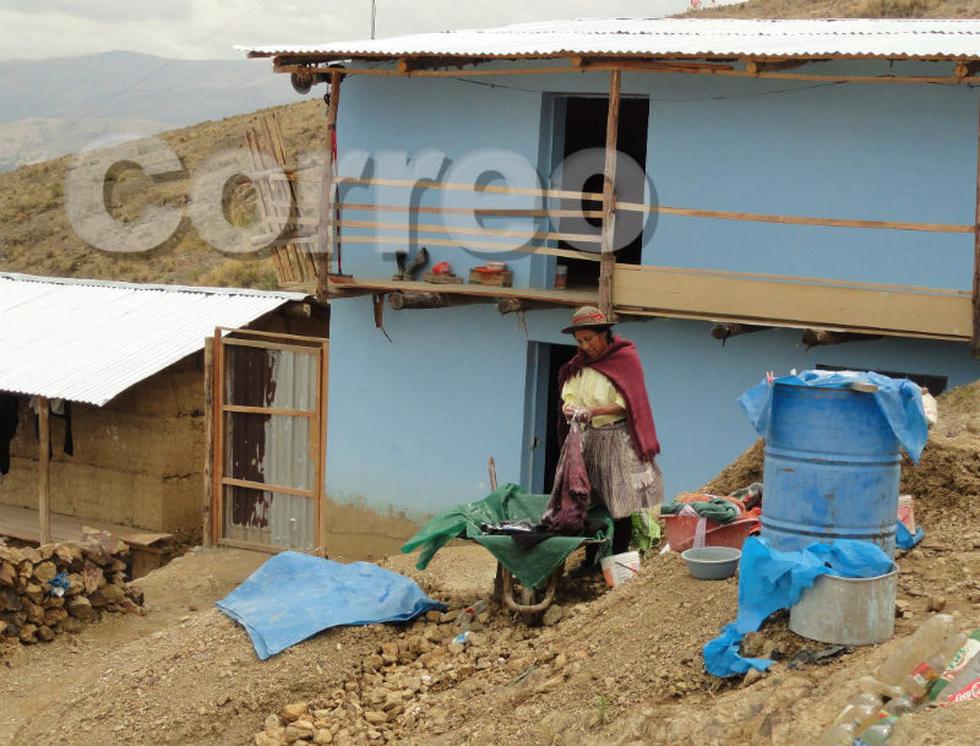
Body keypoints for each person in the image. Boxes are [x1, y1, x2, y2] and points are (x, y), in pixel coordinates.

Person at [557, 306, 663, 572]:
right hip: (589, 437)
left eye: (589, 338)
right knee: (590, 499)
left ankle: (618, 562)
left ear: (604, 333)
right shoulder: (579, 366)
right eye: (580, 341)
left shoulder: (625, 359)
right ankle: (590, 561)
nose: (585, 345)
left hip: (617, 438)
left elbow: (626, 402)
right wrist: (570, 407)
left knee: (620, 502)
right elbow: (568, 393)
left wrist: (593, 411)